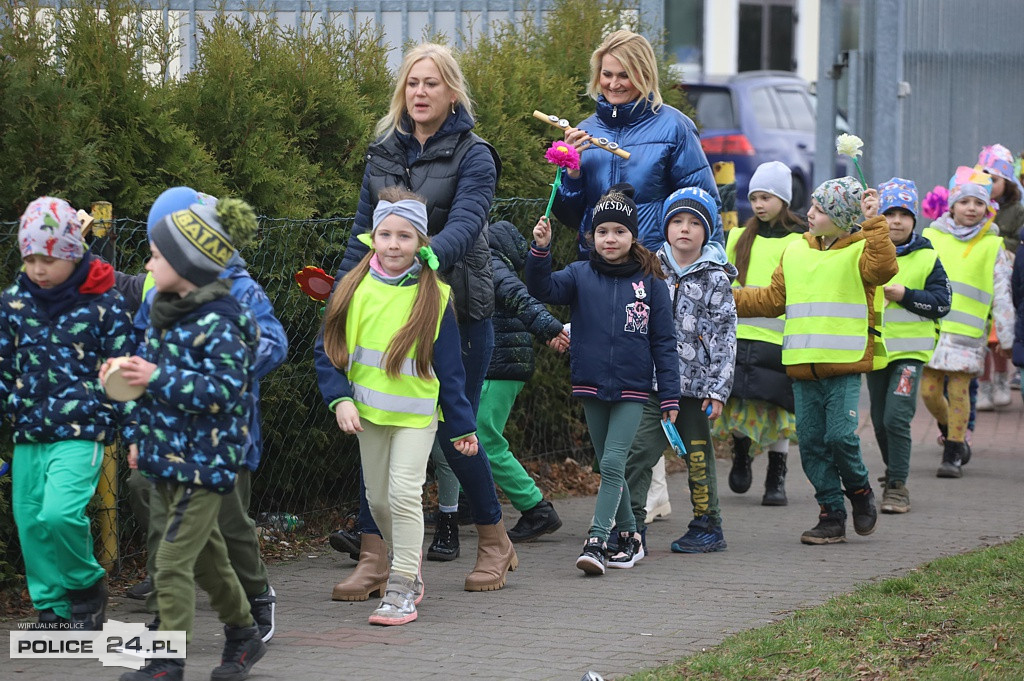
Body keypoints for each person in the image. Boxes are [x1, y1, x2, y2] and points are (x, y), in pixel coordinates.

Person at [316, 42, 517, 598]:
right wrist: (342, 297)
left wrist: (428, 259)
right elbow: (362, 232)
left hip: (456, 308)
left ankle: (496, 541)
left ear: (452, 92)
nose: (420, 93)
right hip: (382, 309)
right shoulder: (382, 151)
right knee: (374, 423)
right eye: (412, 83)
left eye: (431, 83)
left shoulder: (475, 154)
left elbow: (469, 221)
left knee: (457, 431)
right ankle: (375, 555)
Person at [108, 199, 267, 681]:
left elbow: (223, 392)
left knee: (171, 558)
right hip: (162, 457)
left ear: (187, 265)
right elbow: (145, 389)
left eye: (155, 256)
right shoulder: (163, 310)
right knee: (206, 560)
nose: (147, 265)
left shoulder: (223, 321)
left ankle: (166, 661)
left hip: (206, 461)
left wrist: (156, 376)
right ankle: (243, 634)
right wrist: (135, 432)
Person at [321, 187, 480, 626]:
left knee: (405, 494)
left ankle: (403, 583)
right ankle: (405, 564)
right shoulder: (352, 288)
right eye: (385, 234)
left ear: (420, 244)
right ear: (372, 238)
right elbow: (328, 351)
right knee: (378, 501)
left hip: (416, 416)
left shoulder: (436, 296)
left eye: (405, 236)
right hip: (367, 417)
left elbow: (451, 372)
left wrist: (463, 427)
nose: (394, 244)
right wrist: (339, 399)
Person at [733, 178, 897, 545]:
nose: (808, 214)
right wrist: (727, 298)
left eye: (820, 210)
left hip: (844, 365)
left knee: (839, 436)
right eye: (812, 206)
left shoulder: (862, 250)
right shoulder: (795, 251)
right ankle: (830, 513)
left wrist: (875, 223)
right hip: (801, 366)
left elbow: (884, 270)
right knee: (810, 443)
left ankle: (859, 491)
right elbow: (772, 299)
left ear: (841, 218)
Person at [526, 184, 680, 575]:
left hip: (633, 388)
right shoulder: (579, 274)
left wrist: (670, 398)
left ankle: (597, 541)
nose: (610, 239)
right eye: (602, 232)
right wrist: (540, 250)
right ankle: (631, 538)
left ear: (633, 236)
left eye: (619, 232)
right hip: (590, 382)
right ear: (590, 237)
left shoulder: (651, 281)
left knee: (614, 461)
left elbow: (664, 343)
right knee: (606, 465)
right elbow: (541, 288)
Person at [1, 197, 135, 630]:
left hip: (83, 430)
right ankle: (52, 606)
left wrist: (133, 430)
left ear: (72, 252)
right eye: (31, 258)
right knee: (31, 519)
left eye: (49, 258)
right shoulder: (14, 304)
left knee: (59, 513)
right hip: (29, 432)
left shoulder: (103, 302)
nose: (39, 269)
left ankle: (86, 585)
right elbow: (5, 366)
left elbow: (125, 369)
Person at [621, 187, 736, 557]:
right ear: (666, 227)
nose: (684, 229)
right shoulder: (649, 268)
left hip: (697, 385)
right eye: (676, 221)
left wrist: (717, 390)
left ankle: (707, 524)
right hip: (653, 383)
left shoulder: (716, 277)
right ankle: (631, 526)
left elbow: (724, 336)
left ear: (707, 231)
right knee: (639, 451)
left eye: (694, 223)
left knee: (697, 454)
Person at [553, 29, 724, 256]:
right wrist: (572, 175)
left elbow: (705, 206)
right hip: (596, 268)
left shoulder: (675, 127)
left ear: (644, 75)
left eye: (624, 75)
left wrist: (715, 270)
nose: (614, 84)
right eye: (607, 74)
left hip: (655, 267)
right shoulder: (585, 130)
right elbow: (572, 217)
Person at [716, 161, 806, 507]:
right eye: (754, 197)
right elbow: (726, 285)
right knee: (738, 401)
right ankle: (741, 451)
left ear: (783, 199)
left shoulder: (801, 240)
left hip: (780, 340)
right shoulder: (739, 236)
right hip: (739, 336)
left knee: (778, 409)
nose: (758, 204)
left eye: (766, 197)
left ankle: (776, 473)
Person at [920, 167, 1013, 479]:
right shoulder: (931, 237)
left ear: (987, 208)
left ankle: (953, 452)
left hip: (968, 335)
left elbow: (1002, 293)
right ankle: (951, 430)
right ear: (951, 206)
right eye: (964, 202)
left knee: (960, 393)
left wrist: (1007, 335)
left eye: (978, 203)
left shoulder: (991, 246)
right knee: (930, 392)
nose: (971, 208)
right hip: (932, 332)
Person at [866, 178, 950, 513]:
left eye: (904, 213)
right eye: (890, 213)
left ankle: (898, 487)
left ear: (915, 219)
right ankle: (892, 472)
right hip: (875, 353)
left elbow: (942, 303)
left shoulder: (928, 257)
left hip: (910, 355)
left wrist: (906, 296)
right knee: (878, 419)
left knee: (897, 417)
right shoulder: (867, 252)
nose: (897, 221)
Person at [483, 220, 566, 543]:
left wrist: (550, 329)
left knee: (483, 438)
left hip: (498, 366)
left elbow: (519, 297)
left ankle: (535, 508)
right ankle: (463, 501)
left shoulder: (488, 263)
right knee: (458, 432)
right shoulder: (497, 263)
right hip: (501, 365)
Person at [975, 144, 1024, 408]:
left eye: (993, 180)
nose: (988, 185)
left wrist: (1003, 245)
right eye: (983, 179)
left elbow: (1019, 238)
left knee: (1000, 333)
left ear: (1007, 181)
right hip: (979, 276)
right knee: (981, 332)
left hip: (1005, 278)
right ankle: (983, 386)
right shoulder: (976, 204)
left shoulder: (1016, 209)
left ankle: (1002, 379)